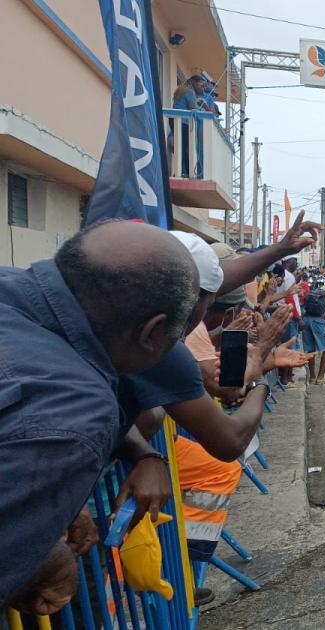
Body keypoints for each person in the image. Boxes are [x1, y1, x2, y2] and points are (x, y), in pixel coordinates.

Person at [0, 221, 198, 608]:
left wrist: (47, 524)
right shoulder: (77, 411)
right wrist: (38, 554)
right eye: (179, 337)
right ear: (153, 333)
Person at [301, 282, 325, 384]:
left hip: (306, 319)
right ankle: (320, 377)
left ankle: (312, 377)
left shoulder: (314, 292)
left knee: (310, 349)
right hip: (318, 321)